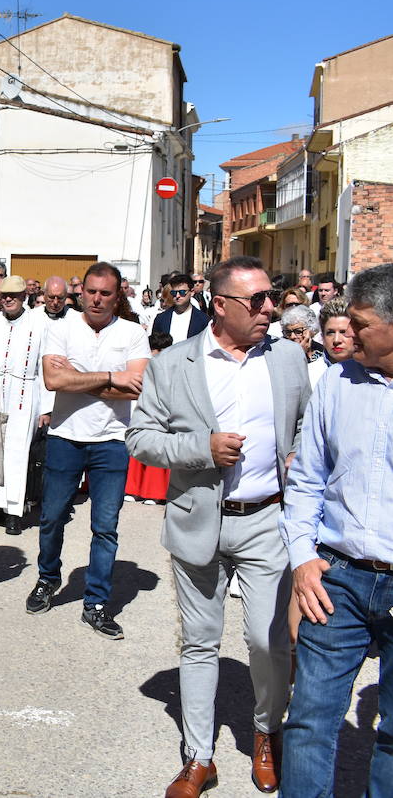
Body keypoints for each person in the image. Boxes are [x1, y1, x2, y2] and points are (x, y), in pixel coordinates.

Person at [127, 256, 307, 797]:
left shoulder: (287, 357)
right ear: (222, 306)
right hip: (198, 519)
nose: (270, 308)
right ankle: (199, 756)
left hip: (266, 520)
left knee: (267, 639)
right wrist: (200, 448)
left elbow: (306, 427)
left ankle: (266, 731)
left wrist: (299, 460)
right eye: (257, 300)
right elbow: (141, 439)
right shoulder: (173, 363)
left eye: (272, 296)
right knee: (199, 643)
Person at [280, 262, 393, 797]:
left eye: (361, 324)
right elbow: (307, 478)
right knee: (309, 720)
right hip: (336, 577)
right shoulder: (335, 382)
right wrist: (303, 560)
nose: (348, 333)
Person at [29, 262, 150, 638]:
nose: (97, 299)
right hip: (65, 436)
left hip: (112, 440)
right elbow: (53, 379)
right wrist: (112, 377)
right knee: (52, 517)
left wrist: (77, 377)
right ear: (80, 292)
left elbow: (137, 388)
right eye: (91, 292)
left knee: (105, 527)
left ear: (118, 295)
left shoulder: (132, 333)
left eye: (105, 293)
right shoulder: (60, 328)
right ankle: (48, 578)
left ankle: (96, 602)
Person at [0, 276, 53, 535]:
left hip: (26, 393)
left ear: (24, 296)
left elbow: (45, 366)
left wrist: (46, 407)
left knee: (18, 451)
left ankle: (14, 510)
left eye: (14, 295)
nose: (9, 299)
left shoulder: (39, 323)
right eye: (4, 295)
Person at [123, 332, 173, 504]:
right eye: (157, 350)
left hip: (162, 411)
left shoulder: (171, 365)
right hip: (138, 407)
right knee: (136, 448)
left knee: (156, 449)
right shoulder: (141, 364)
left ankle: (155, 492)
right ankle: (133, 489)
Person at [153, 272, 209, 344]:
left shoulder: (203, 320)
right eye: (174, 293)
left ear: (192, 292)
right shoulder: (161, 319)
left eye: (182, 292)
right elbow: (155, 345)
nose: (177, 296)